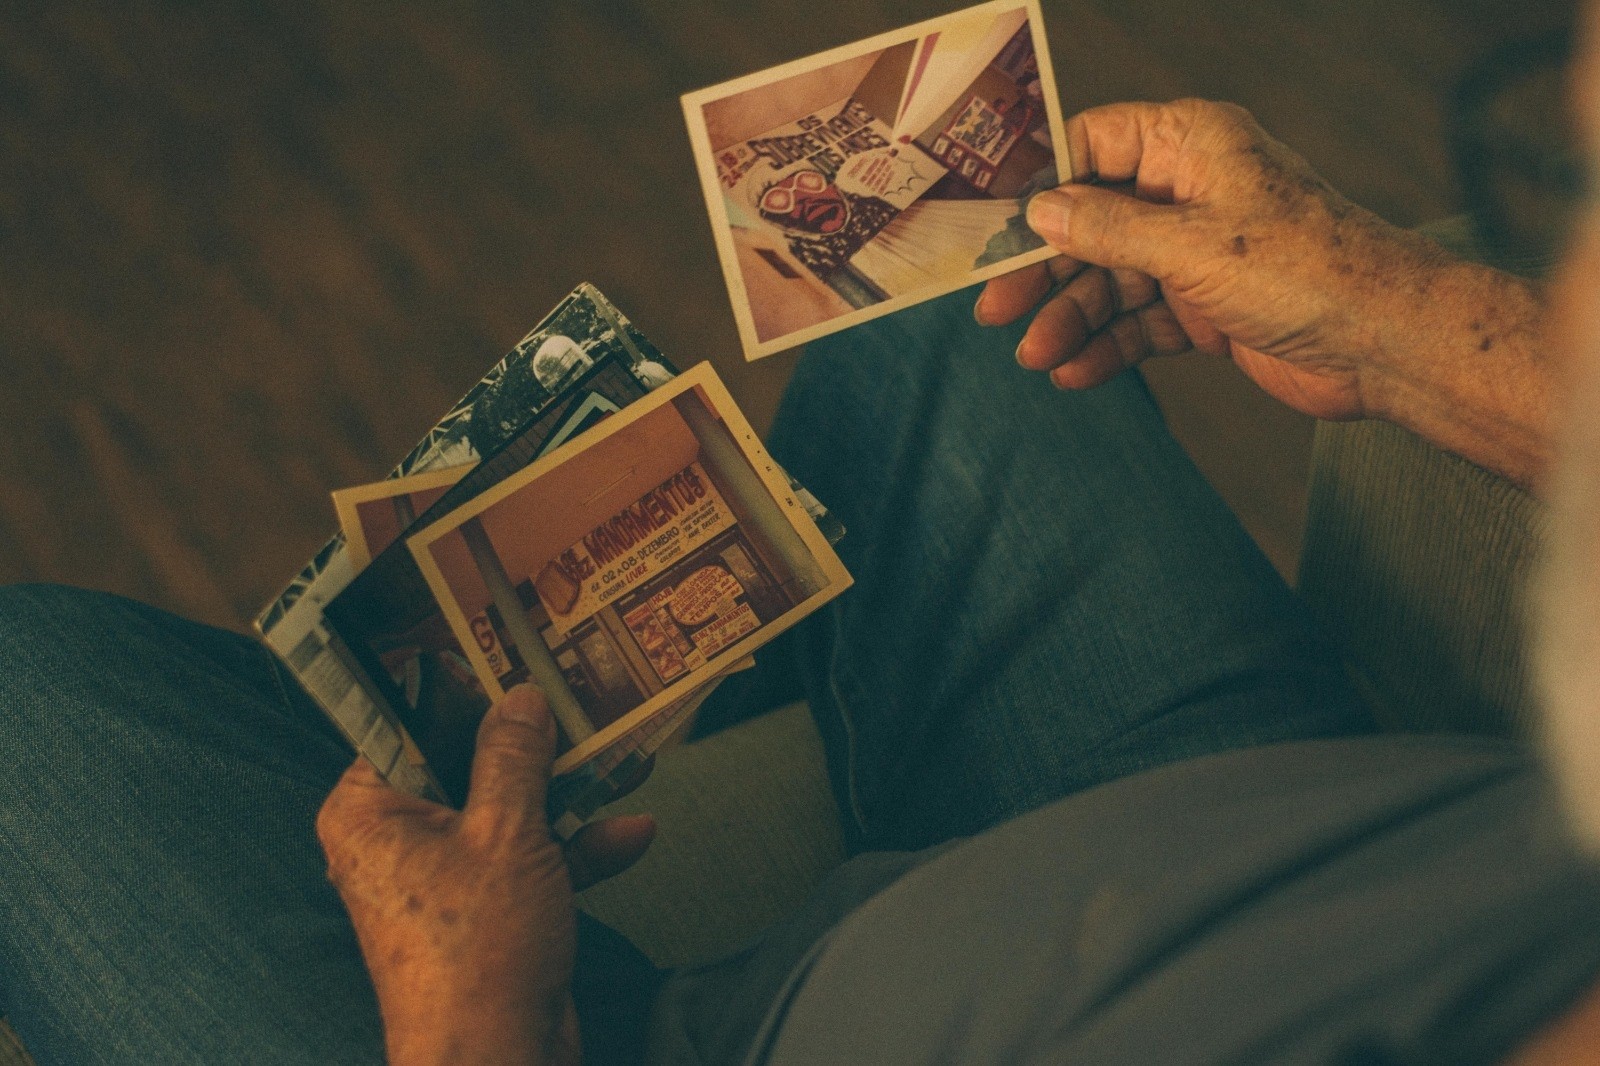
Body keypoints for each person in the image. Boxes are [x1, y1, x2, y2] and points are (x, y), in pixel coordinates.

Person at [6, 16, 1600, 1066]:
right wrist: (1389, 314)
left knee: (23, 706)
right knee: (947, 314)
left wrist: (473, 1018)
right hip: (1268, 814)